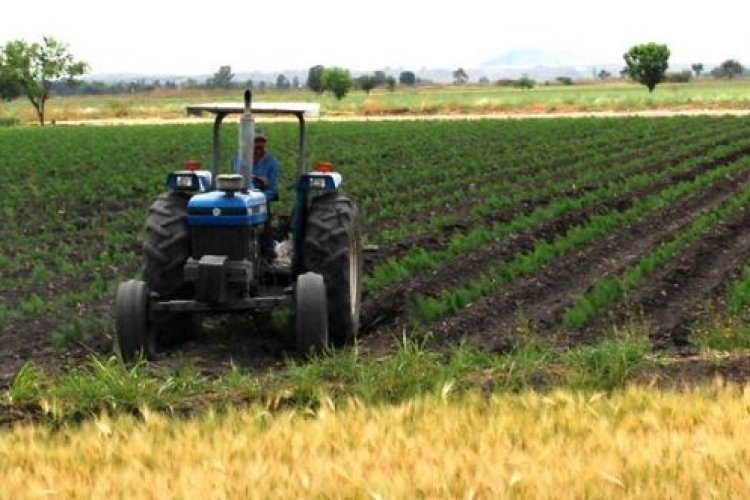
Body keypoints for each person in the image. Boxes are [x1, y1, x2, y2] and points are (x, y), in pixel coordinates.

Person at [234, 132, 280, 201]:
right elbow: (239, 176)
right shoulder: (240, 157)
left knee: (269, 194)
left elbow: (272, 186)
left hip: (262, 193)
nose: (259, 144)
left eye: (262, 142)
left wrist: (265, 184)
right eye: (256, 141)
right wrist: (257, 178)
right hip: (243, 192)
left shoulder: (271, 160)